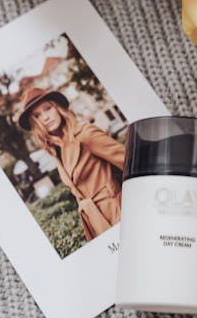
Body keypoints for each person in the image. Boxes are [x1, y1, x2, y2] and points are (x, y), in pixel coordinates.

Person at [17, 87, 125, 241]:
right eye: (37, 116)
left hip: (118, 212)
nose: (45, 118)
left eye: (48, 109)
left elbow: (130, 162)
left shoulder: (85, 135)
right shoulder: (56, 151)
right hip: (96, 223)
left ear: (58, 108)